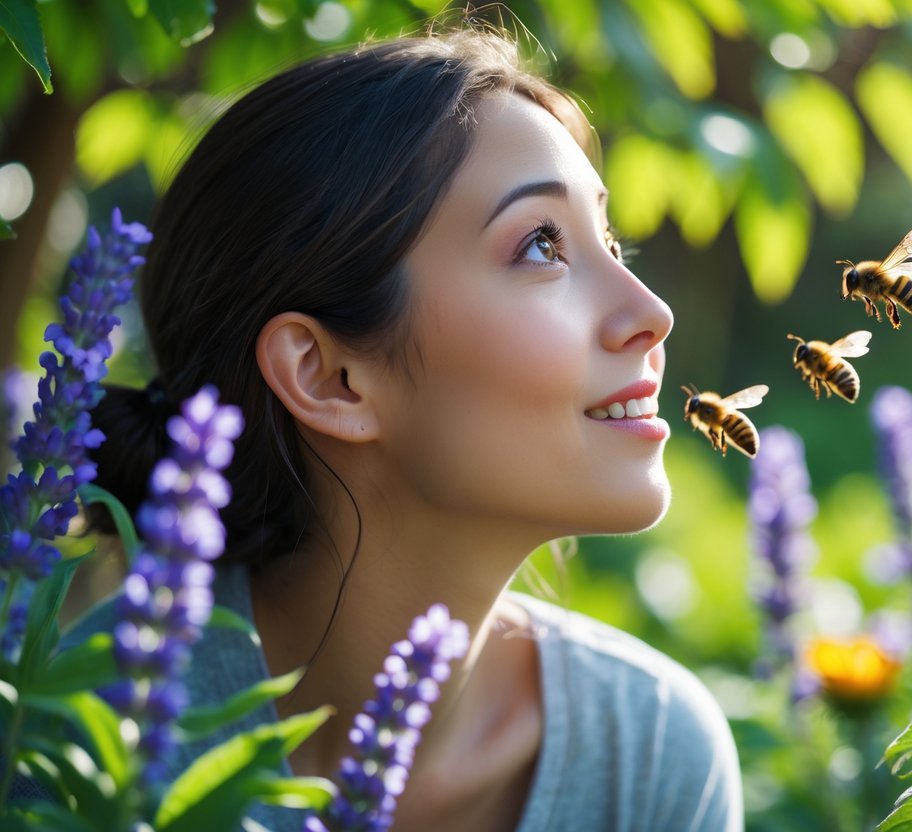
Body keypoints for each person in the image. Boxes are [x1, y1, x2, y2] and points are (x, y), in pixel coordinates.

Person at [80, 26, 744, 831]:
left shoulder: (650, 761)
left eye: (610, 241)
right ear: (331, 377)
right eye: (542, 244)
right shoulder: (67, 735)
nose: (651, 313)